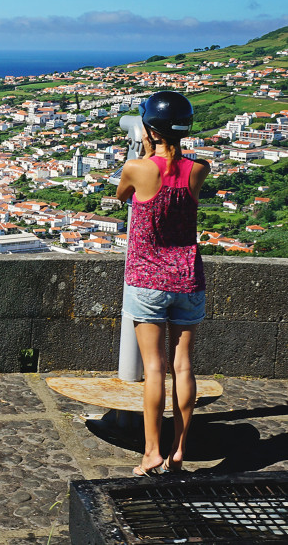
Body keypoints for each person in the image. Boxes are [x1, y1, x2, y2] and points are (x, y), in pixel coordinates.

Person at [115, 90, 210, 476]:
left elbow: (123, 195)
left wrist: (141, 149)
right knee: (183, 367)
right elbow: (179, 177)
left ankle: (151, 453)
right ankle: (179, 449)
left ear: (149, 130)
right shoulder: (199, 169)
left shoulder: (138, 169)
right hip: (188, 277)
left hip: (147, 279)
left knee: (154, 369)